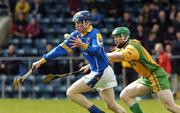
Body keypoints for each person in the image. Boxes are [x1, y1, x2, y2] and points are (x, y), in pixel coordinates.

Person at [32, 10, 126, 113]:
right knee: (112, 105)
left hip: (101, 72)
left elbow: (99, 51)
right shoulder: (77, 35)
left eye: (79, 22)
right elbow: (60, 49)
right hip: (103, 71)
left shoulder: (95, 33)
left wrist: (82, 45)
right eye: (75, 23)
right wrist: (41, 61)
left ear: (86, 22)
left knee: (71, 93)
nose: (76, 25)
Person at [107, 27, 180, 113]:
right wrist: (90, 65)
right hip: (146, 77)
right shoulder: (124, 47)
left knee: (170, 107)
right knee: (125, 95)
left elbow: (121, 56)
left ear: (125, 36)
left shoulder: (132, 46)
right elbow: (112, 56)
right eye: (115, 37)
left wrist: (102, 55)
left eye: (119, 37)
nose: (116, 39)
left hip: (156, 75)